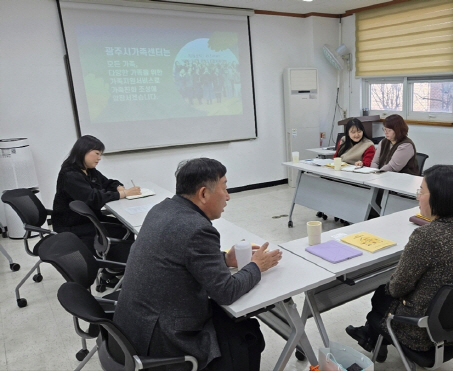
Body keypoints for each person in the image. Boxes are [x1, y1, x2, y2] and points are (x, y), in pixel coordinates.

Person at [113, 158, 282, 371]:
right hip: (162, 337)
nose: (228, 196)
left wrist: (225, 260)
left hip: (132, 326)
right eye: (224, 187)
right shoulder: (197, 229)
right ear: (203, 194)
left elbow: (180, 258)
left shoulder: (162, 208)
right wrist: (257, 265)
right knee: (248, 332)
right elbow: (226, 292)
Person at [345, 165, 453, 362]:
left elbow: (397, 288)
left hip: (426, 334)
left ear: (438, 197)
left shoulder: (426, 236)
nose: (417, 197)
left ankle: (371, 336)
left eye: (421, 191)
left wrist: (394, 278)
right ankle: (371, 337)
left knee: (381, 295)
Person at [52, 135, 141, 252]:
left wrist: (118, 187)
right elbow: (93, 199)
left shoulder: (88, 170)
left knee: (126, 226)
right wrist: (124, 194)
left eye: (100, 154)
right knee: (124, 230)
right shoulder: (70, 174)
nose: (99, 158)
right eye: (97, 153)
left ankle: (117, 261)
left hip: (89, 218)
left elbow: (107, 183)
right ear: (83, 151)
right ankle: (115, 264)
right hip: (72, 225)